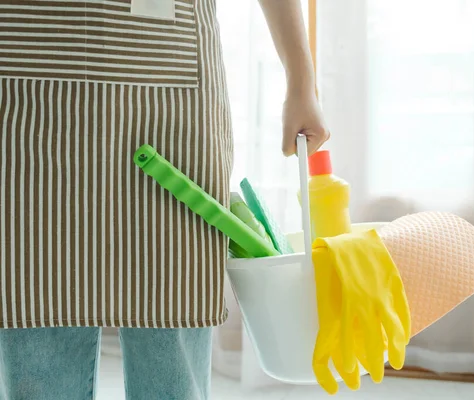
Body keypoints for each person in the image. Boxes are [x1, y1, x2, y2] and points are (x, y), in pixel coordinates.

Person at [0, 0, 328, 398]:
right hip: (30, 88)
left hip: (173, 75)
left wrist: (300, 80)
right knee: (39, 345)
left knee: (172, 346)